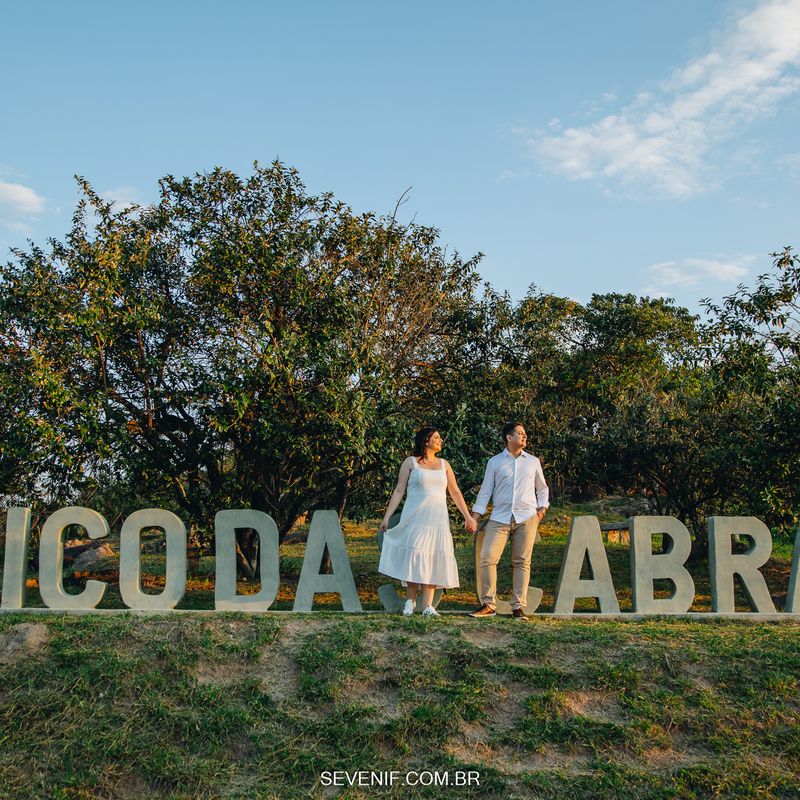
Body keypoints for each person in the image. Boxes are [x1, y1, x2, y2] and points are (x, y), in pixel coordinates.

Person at [378, 427, 477, 616]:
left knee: (433, 556)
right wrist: (386, 517)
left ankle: (428, 606)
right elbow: (399, 491)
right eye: (436, 437)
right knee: (415, 557)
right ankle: (410, 601)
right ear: (426, 441)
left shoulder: (444, 464)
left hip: (437, 520)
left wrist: (467, 516)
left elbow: (455, 492)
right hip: (415, 519)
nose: (440, 440)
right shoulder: (410, 463)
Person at [470, 422, 549, 620]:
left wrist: (542, 509)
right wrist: (475, 515)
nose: (525, 437)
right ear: (509, 437)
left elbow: (542, 487)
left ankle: (518, 607)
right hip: (499, 517)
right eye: (520, 433)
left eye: (525, 434)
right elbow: (486, 490)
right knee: (487, 558)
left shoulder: (532, 461)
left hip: (527, 517)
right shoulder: (495, 462)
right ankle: (488, 604)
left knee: (522, 561)